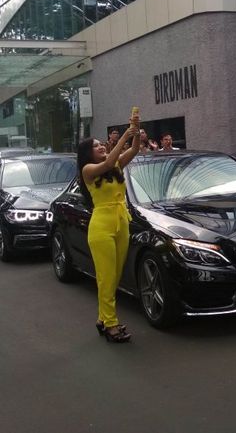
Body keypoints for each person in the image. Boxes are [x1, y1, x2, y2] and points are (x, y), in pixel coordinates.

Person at [77, 116, 140, 342]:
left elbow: (133, 150)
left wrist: (136, 130)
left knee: (114, 277)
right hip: (102, 227)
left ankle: (102, 319)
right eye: (96, 146)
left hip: (122, 222)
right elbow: (107, 163)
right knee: (106, 277)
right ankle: (111, 324)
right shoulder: (89, 170)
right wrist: (125, 134)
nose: (101, 146)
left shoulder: (115, 166)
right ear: (87, 153)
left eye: (101, 143)